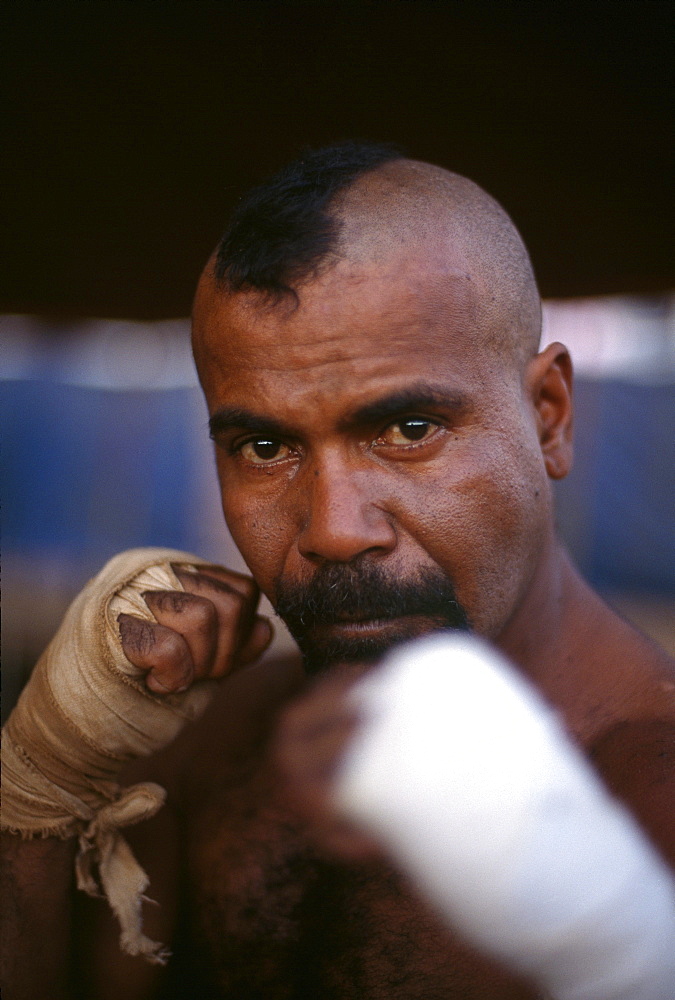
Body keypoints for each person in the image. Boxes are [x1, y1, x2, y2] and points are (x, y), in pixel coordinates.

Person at [2, 142, 674, 1000]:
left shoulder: (652, 799)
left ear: (548, 418)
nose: (332, 530)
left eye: (408, 429)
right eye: (265, 446)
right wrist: (35, 780)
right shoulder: (216, 746)